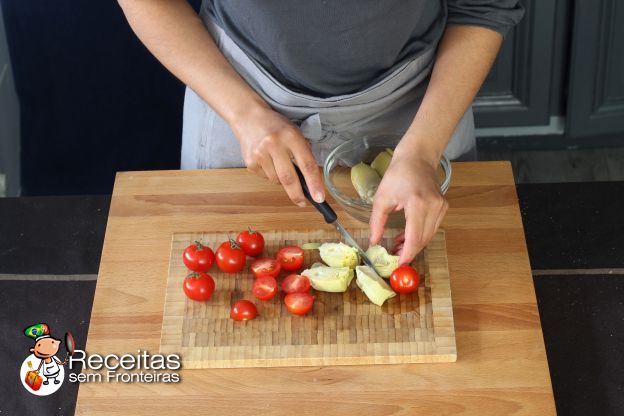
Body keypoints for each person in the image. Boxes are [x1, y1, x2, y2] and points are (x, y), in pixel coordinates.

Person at [118, 0, 524, 263]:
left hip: (421, 106)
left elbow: (483, 7)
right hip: (237, 98)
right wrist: (244, 114)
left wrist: (421, 152)